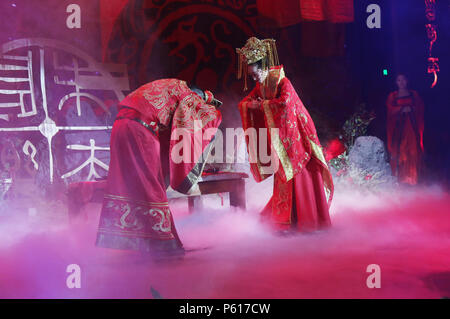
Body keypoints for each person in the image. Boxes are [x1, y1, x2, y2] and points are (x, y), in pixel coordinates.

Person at [96, 79, 222, 258]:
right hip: (139, 130)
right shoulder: (187, 95)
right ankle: (163, 246)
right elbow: (192, 129)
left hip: (121, 126)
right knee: (151, 186)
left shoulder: (170, 87)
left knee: (133, 187)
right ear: (197, 95)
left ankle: (144, 244)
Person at [235, 37, 333, 234]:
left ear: (263, 66)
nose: (254, 79)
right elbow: (247, 101)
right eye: (252, 76)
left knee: (298, 175)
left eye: (255, 74)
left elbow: (286, 103)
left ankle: (306, 221)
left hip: (297, 135)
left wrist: (261, 105)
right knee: (283, 175)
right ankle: (285, 221)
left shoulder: (282, 81)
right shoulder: (261, 85)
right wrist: (249, 105)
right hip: (282, 137)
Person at [386, 74, 424, 185]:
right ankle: (399, 179)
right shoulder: (393, 96)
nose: (401, 82)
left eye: (403, 80)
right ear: (396, 82)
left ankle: (412, 178)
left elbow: (420, 108)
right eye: (399, 80)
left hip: (412, 128)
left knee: (412, 150)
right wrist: (402, 109)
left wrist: (411, 109)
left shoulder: (414, 94)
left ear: (407, 81)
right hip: (398, 129)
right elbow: (390, 111)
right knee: (399, 150)